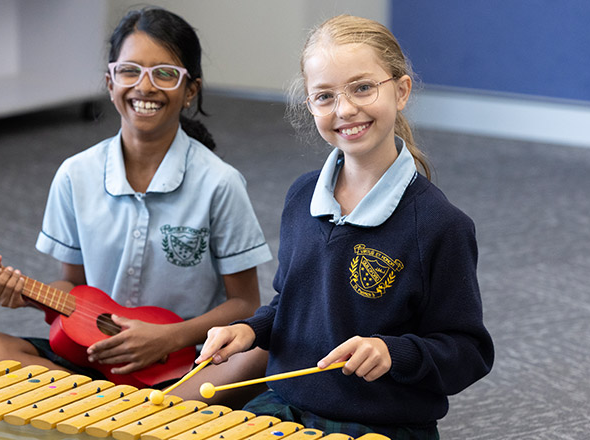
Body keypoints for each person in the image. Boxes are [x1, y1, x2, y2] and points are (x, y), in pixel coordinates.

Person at [196, 14, 494, 439]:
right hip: (286, 407)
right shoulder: (302, 197)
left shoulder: (440, 226)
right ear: (310, 106)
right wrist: (250, 329)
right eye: (325, 96)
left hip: (381, 423)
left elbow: (468, 353)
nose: (346, 109)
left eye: (362, 87)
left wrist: (393, 352)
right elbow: (294, 304)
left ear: (402, 90)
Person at [0, 7, 272, 385]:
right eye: (130, 71)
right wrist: (23, 292)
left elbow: (245, 305)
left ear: (190, 90)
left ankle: (90, 410)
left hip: (180, 361)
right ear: (110, 83)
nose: (145, 87)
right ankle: (138, 414)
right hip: (92, 356)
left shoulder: (220, 183)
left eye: (165, 74)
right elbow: (74, 286)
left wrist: (165, 338)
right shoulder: (75, 175)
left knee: (255, 358)